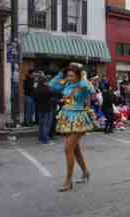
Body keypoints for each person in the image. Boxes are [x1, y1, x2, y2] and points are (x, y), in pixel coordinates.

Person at [49, 63, 95, 192]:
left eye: (71, 75)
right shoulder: (68, 84)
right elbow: (52, 86)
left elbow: (90, 89)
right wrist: (61, 73)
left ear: (78, 76)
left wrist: (84, 75)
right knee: (75, 150)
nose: (69, 78)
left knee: (68, 149)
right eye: (68, 75)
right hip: (66, 117)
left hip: (78, 119)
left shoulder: (82, 85)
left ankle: (68, 181)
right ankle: (85, 172)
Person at [34, 74, 54, 144]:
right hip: (47, 108)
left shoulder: (37, 88)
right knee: (46, 125)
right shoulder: (47, 88)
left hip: (39, 108)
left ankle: (41, 137)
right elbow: (51, 96)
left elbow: (35, 99)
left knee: (41, 124)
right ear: (45, 81)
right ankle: (45, 140)